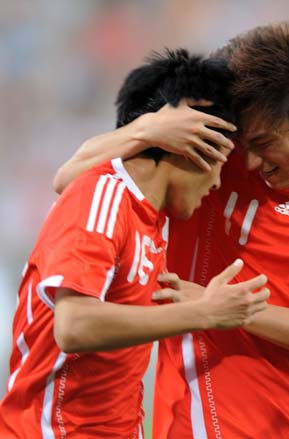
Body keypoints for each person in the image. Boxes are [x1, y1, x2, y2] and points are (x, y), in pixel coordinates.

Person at [52, 23, 289, 439]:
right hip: (190, 427)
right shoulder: (212, 164)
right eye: (243, 144)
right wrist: (145, 130)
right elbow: (72, 179)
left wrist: (225, 310)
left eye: (265, 142)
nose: (249, 163)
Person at [0, 49, 270, 438]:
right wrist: (205, 314)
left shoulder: (152, 217)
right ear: (191, 141)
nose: (216, 185)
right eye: (220, 165)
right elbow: (75, 326)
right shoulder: (102, 198)